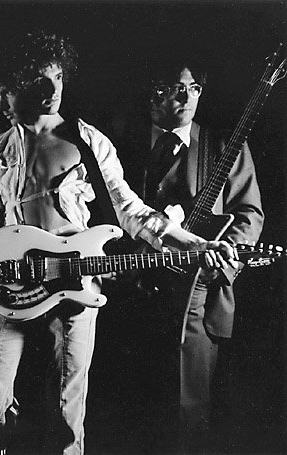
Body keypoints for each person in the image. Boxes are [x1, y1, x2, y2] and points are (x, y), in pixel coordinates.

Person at [0, 31, 238, 455]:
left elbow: (132, 211)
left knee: (66, 413)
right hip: (13, 288)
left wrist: (197, 244)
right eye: (32, 83)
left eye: (57, 77)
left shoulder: (89, 141)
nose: (52, 89)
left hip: (75, 290)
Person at [111, 57, 264, 451]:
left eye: (194, 88)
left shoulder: (223, 146)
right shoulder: (119, 144)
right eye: (176, 88)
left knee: (189, 417)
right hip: (128, 298)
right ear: (153, 92)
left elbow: (249, 215)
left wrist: (224, 264)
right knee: (128, 416)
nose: (187, 97)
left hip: (199, 302)